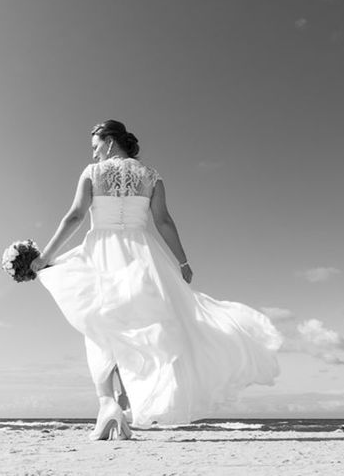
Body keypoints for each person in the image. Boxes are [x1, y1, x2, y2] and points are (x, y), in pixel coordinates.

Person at [30, 120, 283, 441]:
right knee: (136, 327)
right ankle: (121, 406)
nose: (93, 154)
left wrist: (45, 256)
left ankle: (109, 404)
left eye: (95, 146)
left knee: (100, 326)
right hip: (141, 255)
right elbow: (163, 221)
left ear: (109, 142)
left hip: (101, 253)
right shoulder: (151, 176)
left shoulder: (91, 174)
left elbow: (75, 217)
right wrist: (182, 260)